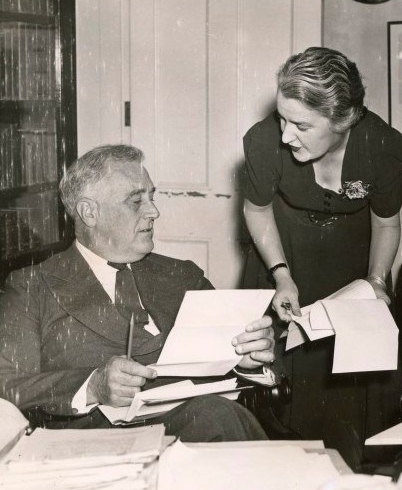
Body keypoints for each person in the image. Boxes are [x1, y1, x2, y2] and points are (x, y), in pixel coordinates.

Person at [0, 144, 274, 442]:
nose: (154, 211)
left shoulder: (182, 275)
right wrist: (92, 386)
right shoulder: (32, 286)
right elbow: (9, 384)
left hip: (201, 423)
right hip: (98, 440)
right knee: (216, 418)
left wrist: (247, 359)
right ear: (89, 212)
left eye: (151, 197)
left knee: (217, 417)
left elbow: (243, 364)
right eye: (136, 201)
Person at [241, 47, 402, 455]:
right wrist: (281, 274)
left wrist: (375, 281)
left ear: (343, 120)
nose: (285, 135)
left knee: (351, 391)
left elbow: (386, 222)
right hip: (282, 255)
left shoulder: (381, 146)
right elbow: (256, 209)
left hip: (351, 264)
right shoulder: (265, 141)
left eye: (300, 124)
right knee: (277, 393)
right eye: (283, 118)